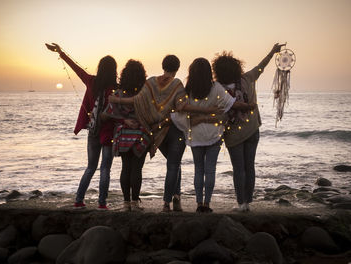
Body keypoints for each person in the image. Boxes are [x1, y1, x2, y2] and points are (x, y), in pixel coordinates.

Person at [109, 55, 220, 212]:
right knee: (174, 165)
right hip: (175, 130)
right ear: (177, 68)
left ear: (163, 65)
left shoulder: (151, 83)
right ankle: (171, 201)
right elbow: (182, 107)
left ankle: (169, 202)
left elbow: (137, 100)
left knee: (172, 165)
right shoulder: (177, 84)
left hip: (159, 132)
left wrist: (117, 100)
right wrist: (207, 110)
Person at [171, 58, 253, 213]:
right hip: (214, 135)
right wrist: (247, 106)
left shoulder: (188, 89)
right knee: (210, 170)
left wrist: (197, 113)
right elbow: (231, 103)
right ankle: (207, 204)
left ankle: (198, 203)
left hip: (195, 135)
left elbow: (180, 108)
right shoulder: (215, 87)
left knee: (198, 170)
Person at [211, 43, 284, 212]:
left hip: (233, 135)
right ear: (237, 68)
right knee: (249, 166)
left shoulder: (217, 88)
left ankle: (241, 203)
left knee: (238, 169)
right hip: (252, 130)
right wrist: (273, 51)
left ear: (218, 71)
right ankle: (248, 202)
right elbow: (261, 66)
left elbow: (216, 112)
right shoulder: (246, 79)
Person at [45, 43, 117, 210]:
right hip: (108, 133)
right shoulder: (114, 89)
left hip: (93, 131)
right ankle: (102, 204)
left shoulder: (91, 81)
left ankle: (78, 200)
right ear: (114, 70)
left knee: (91, 167)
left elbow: (75, 68)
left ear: (100, 68)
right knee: (105, 168)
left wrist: (61, 53)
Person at [106, 60, 150, 211]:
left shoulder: (118, 94)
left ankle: (126, 203)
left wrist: (124, 120)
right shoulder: (144, 93)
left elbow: (111, 113)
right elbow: (149, 113)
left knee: (126, 168)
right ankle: (135, 203)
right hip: (140, 135)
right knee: (137, 169)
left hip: (123, 134)